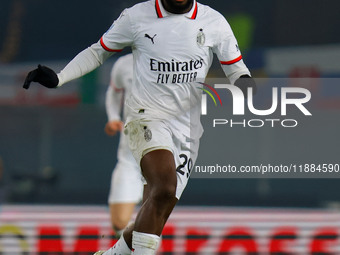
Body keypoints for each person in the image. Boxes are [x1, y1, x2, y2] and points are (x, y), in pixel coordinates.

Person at [23, 0, 256, 254]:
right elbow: (98, 51)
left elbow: (236, 68)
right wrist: (59, 78)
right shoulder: (136, 17)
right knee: (165, 187)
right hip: (147, 116)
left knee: (157, 209)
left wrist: (244, 86)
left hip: (188, 129)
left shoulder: (214, 21)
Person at [104, 54, 143, 238]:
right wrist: (113, 118)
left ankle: (146, 245)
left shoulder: (175, 60)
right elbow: (114, 92)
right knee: (119, 223)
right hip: (129, 157)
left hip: (163, 155)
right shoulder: (124, 64)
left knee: (153, 218)